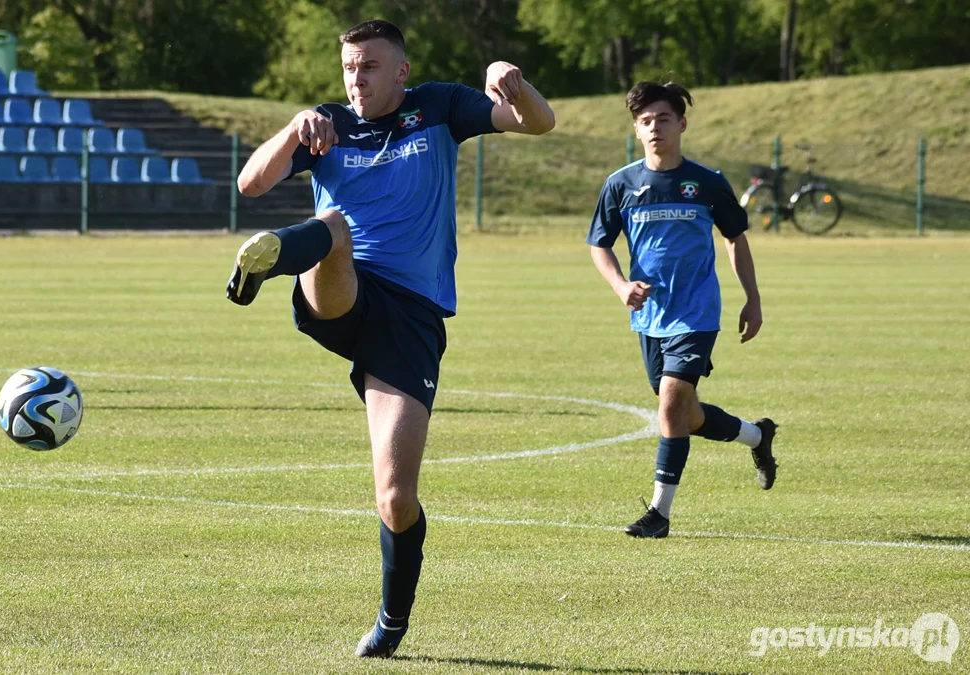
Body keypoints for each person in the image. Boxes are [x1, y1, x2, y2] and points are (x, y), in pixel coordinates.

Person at [227, 19, 555, 658]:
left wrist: (512, 86)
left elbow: (538, 123)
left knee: (396, 496)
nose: (356, 79)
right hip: (342, 288)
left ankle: (392, 621)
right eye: (350, 67)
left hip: (411, 319)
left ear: (400, 72)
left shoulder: (439, 106)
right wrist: (296, 125)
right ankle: (264, 265)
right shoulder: (326, 124)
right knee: (334, 226)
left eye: (370, 67)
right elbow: (251, 183)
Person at [586, 81, 778, 539]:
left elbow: (735, 238)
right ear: (636, 128)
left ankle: (659, 514)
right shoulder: (622, 184)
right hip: (649, 317)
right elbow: (599, 245)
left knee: (670, 404)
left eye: (664, 119)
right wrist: (619, 286)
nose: (655, 128)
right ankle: (757, 435)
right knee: (685, 416)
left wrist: (753, 297)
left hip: (697, 312)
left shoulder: (708, 183)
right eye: (646, 121)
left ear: (682, 124)